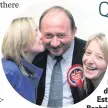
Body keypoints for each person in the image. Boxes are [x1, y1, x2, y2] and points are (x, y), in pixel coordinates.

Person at [33, 6, 86, 107]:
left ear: (73, 32)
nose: (54, 44)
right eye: (48, 35)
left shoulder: (88, 53)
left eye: (61, 35)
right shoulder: (35, 53)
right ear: (40, 32)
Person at [1, 17, 45, 103]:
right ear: (23, 44)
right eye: (35, 33)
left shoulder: (28, 71)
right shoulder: (8, 71)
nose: (41, 36)